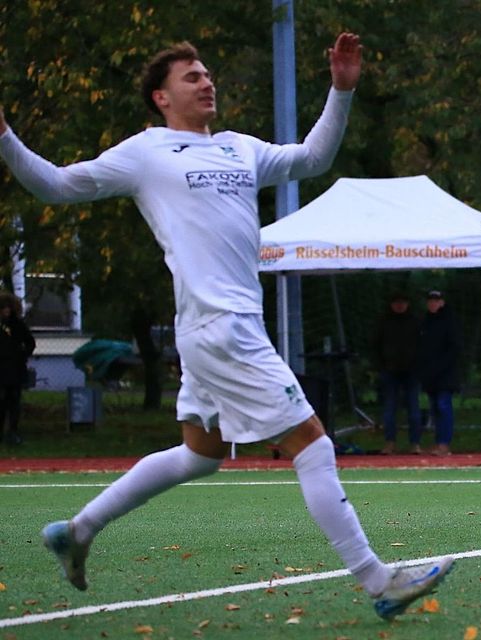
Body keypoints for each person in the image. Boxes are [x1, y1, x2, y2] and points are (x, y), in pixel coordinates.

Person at [0, 34, 451, 619]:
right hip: (222, 327)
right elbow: (56, 185)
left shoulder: (240, 148)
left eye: (207, 74)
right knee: (313, 444)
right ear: (162, 98)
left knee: (200, 454)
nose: (207, 82)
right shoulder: (147, 153)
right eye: (192, 77)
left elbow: (312, 158)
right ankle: (377, 581)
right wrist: (7, 139)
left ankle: (79, 530)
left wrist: (341, 89)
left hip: (215, 329)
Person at [372, 292, 422, 454]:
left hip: (412, 371)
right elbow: (375, 345)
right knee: (389, 409)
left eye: (403, 302)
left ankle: (415, 443)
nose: (399, 305)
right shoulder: (384, 322)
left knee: (414, 409)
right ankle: (390, 442)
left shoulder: (415, 321)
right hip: (390, 371)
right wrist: (381, 366)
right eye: (396, 302)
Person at [417, 290, 460, 456]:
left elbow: (454, 349)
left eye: (436, 300)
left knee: (443, 406)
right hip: (430, 376)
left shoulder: (450, 322)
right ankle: (438, 443)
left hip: (445, 375)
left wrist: (440, 368)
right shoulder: (424, 322)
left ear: (442, 302)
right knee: (435, 409)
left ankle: (444, 444)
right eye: (430, 300)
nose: (433, 303)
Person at [0, 291, 36, 446]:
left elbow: (30, 343)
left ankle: (13, 433)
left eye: (8, 308)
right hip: (0, 371)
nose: (6, 311)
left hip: (15, 370)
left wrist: (22, 355)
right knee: (0, 404)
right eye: (3, 308)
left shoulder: (18, 325)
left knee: (14, 403)